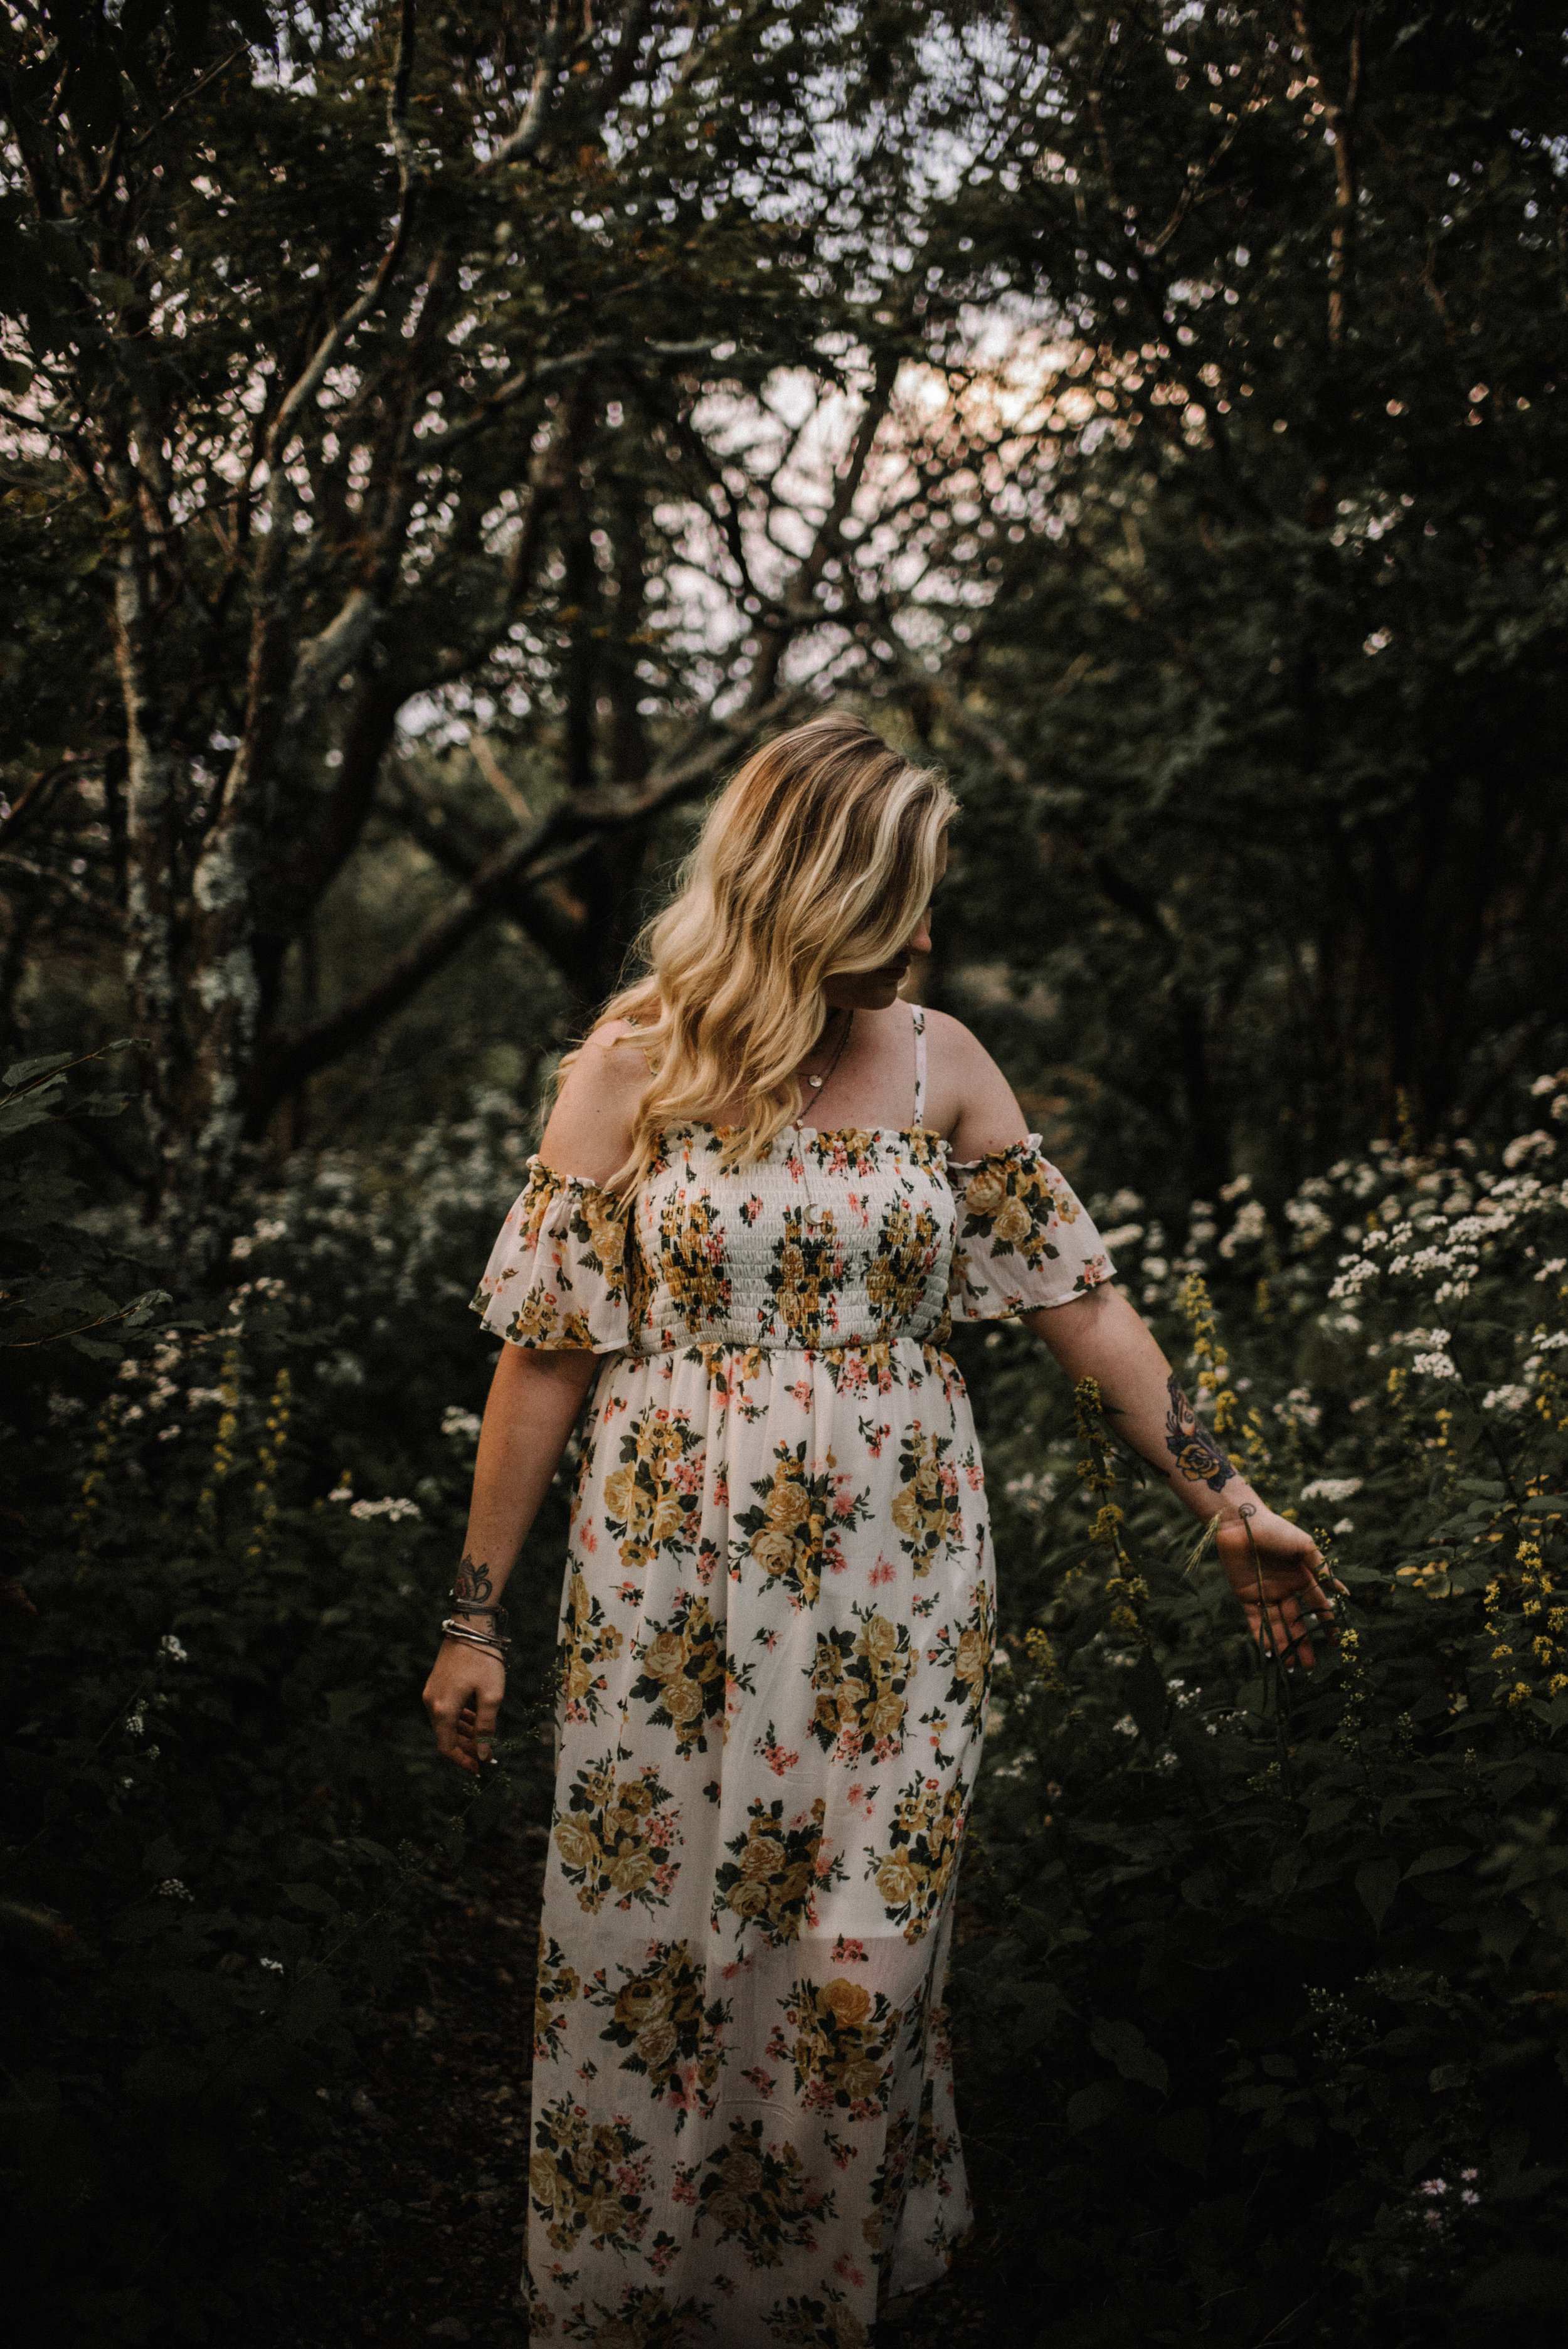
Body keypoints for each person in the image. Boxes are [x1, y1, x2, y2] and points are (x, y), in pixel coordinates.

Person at [423, 713, 1338, 2346]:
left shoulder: (941, 1060)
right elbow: (543, 1355)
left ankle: (805, 2300)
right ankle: (640, 2291)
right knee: (659, 1937)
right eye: (901, 894)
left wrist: (1228, 1496)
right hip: (669, 1586)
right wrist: (472, 1613)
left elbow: (1086, 1303)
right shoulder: (631, 1059)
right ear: (807, 886)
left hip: (893, 1592)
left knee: (861, 1955)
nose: (925, 929)